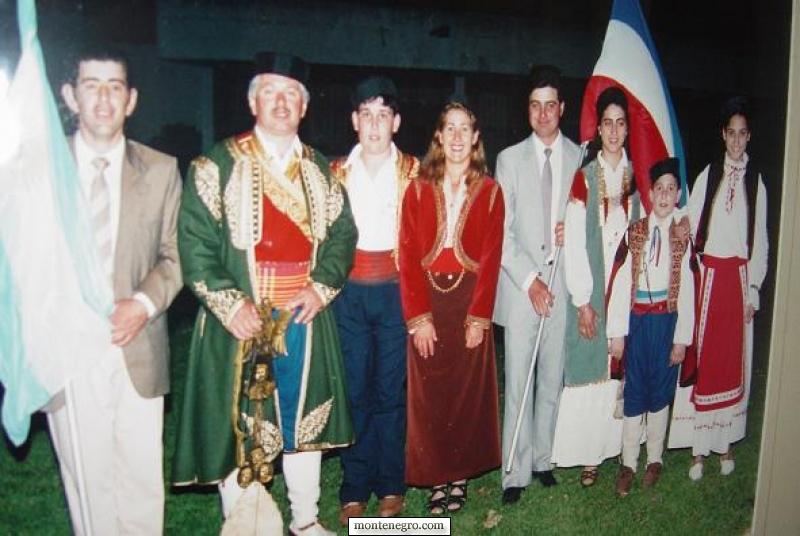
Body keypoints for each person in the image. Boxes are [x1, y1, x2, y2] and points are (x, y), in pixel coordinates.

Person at [172, 52, 357, 536]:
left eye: (291, 94)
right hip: (240, 321)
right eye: (271, 92)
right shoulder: (217, 164)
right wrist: (231, 304)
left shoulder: (320, 169)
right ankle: (245, 523)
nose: (281, 102)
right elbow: (194, 242)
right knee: (241, 423)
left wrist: (320, 287)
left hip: (303, 319)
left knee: (302, 421)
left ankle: (305, 519)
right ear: (253, 101)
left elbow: (342, 235)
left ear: (304, 107)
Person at [49, 46, 182, 534]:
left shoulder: (162, 169)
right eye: (92, 86)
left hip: (138, 345)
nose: (104, 99)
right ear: (71, 96)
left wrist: (141, 305)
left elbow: (176, 255)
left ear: (131, 100)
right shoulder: (43, 170)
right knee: (89, 484)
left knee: (141, 481)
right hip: (69, 350)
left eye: (115, 87)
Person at [399, 100, 504, 514]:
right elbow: (408, 257)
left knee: (463, 393)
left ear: (475, 138)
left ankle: (457, 475)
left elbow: (492, 260)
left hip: (468, 303)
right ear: (439, 137)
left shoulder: (490, 192)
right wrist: (418, 319)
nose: (457, 137)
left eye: (465, 129)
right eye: (450, 128)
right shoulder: (418, 189)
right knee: (432, 394)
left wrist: (479, 318)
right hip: (429, 303)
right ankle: (436, 476)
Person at [329, 76, 419, 525]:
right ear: (354, 120)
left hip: (394, 292)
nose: (374, 124)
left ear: (396, 122)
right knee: (354, 390)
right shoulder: (335, 173)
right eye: (366, 114)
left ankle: (390, 485)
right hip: (349, 294)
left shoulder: (414, 172)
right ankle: (354, 486)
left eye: (383, 115)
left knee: (389, 391)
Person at [667, 97, 768, 481]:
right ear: (723, 135)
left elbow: (761, 242)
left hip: (737, 284)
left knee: (730, 364)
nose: (737, 141)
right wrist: (676, 223)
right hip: (709, 280)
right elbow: (689, 219)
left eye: (743, 134)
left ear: (749, 136)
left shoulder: (756, 183)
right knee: (705, 363)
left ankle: (724, 444)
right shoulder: (709, 175)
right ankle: (698, 450)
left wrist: (753, 289)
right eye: (732, 133)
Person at [495, 65, 582, 505]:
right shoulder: (508, 160)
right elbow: (502, 232)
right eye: (535, 105)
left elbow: (594, 222)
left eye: (550, 105)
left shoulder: (580, 157)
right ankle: (515, 470)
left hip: (562, 283)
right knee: (518, 380)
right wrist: (530, 281)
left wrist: (575, 229)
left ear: (562, 108)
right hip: (521, 287)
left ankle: (544, 459)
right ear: (527, 110)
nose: (543, 114)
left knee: (552, 375)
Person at [553, 86, 641, 486]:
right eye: (608, 123)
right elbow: (574, 241)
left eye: (620, 123)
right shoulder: (584, 179)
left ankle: (615, 447)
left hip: (624, 291)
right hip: (592, 289)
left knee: (617, 369)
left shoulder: (637, 180)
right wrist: (583, 300)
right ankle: (588, 455)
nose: (614, 131)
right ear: (599, 128)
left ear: (627, 129)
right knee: (591, 367)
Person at [606, 157, 694, 496]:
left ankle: (654, 458)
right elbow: (619, 284)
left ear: (678, 195)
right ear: (650, 194)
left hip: (666, 322)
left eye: (672, 189)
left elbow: (688, 289)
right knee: (635, 388)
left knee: (660, 389)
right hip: (638, 321)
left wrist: (681, 339)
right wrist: (617, 333)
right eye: (660, 189)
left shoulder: (682, 236)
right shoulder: (636, 233)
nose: (665, 195)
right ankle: (628, 462)